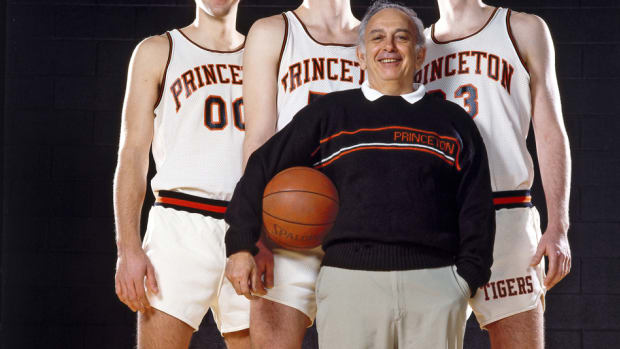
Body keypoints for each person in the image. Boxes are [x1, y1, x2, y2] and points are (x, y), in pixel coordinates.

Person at [225, 2, 495, 348]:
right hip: (349, 284)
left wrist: (465, 281)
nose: (389, 47)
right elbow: (262, 167)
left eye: (402, 38)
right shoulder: (330, 114)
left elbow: (477, 207)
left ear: (421, 53)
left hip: (436, 285)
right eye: (377, 37)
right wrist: (241, 246)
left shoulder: (453, 121)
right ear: (361, 55)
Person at [418, 1, 572, 348]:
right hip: (434, 223)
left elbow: (549, 129)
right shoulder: (415, 48)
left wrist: (558, 225)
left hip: (507, 213)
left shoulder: (522, 29)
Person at [112, 1, 250, 348]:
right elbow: (132, 156)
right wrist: (128, 248)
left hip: (248, 229)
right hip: (179, 224)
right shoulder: (158, 50)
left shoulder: (265, 55)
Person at [238, 1, 363, 347]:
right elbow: (258, 140)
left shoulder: (378, 36)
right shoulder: (273, 31)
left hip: (361, 226)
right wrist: (254, 235)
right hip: (287, 223)